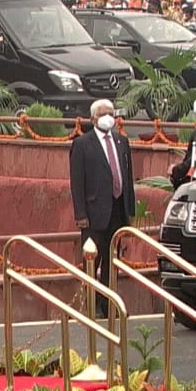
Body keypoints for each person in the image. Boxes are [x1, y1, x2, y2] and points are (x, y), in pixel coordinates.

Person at [69, 99, 136, 319]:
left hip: (117, 210)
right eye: (103, 114)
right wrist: (80, 214)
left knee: (111, 262)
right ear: (93, 119)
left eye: (111, 113)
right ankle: (90, 305)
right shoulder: (82, 144)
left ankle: (108, 305)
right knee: (92, 260)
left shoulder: (121, 142)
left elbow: (127, 177)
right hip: (94, 213)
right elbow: (77, 182)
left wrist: (130, 211)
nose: (109, 117)